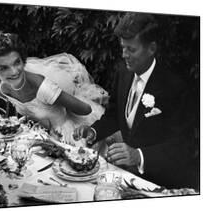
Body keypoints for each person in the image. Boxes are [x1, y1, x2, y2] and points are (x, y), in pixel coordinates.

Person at [74, 12, 198, 189]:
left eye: (131, 49)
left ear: (152, 49)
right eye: (122, 47)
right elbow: (115, 115)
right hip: (128, 177)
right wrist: (94, 131)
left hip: (164, 182)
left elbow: (182, 146)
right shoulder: (123, 72)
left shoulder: (175, 87)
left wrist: (139, 156)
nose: (124, 55)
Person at [0, 32, 109, 146]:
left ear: (23, 60)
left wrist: (60, 104)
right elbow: (30, 110)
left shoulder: (42, 87)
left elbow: (86, 109)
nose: (14, 71)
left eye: (17, 62)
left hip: (69, 138)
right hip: (42, 137)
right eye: (4, 68)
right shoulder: (4, 87)